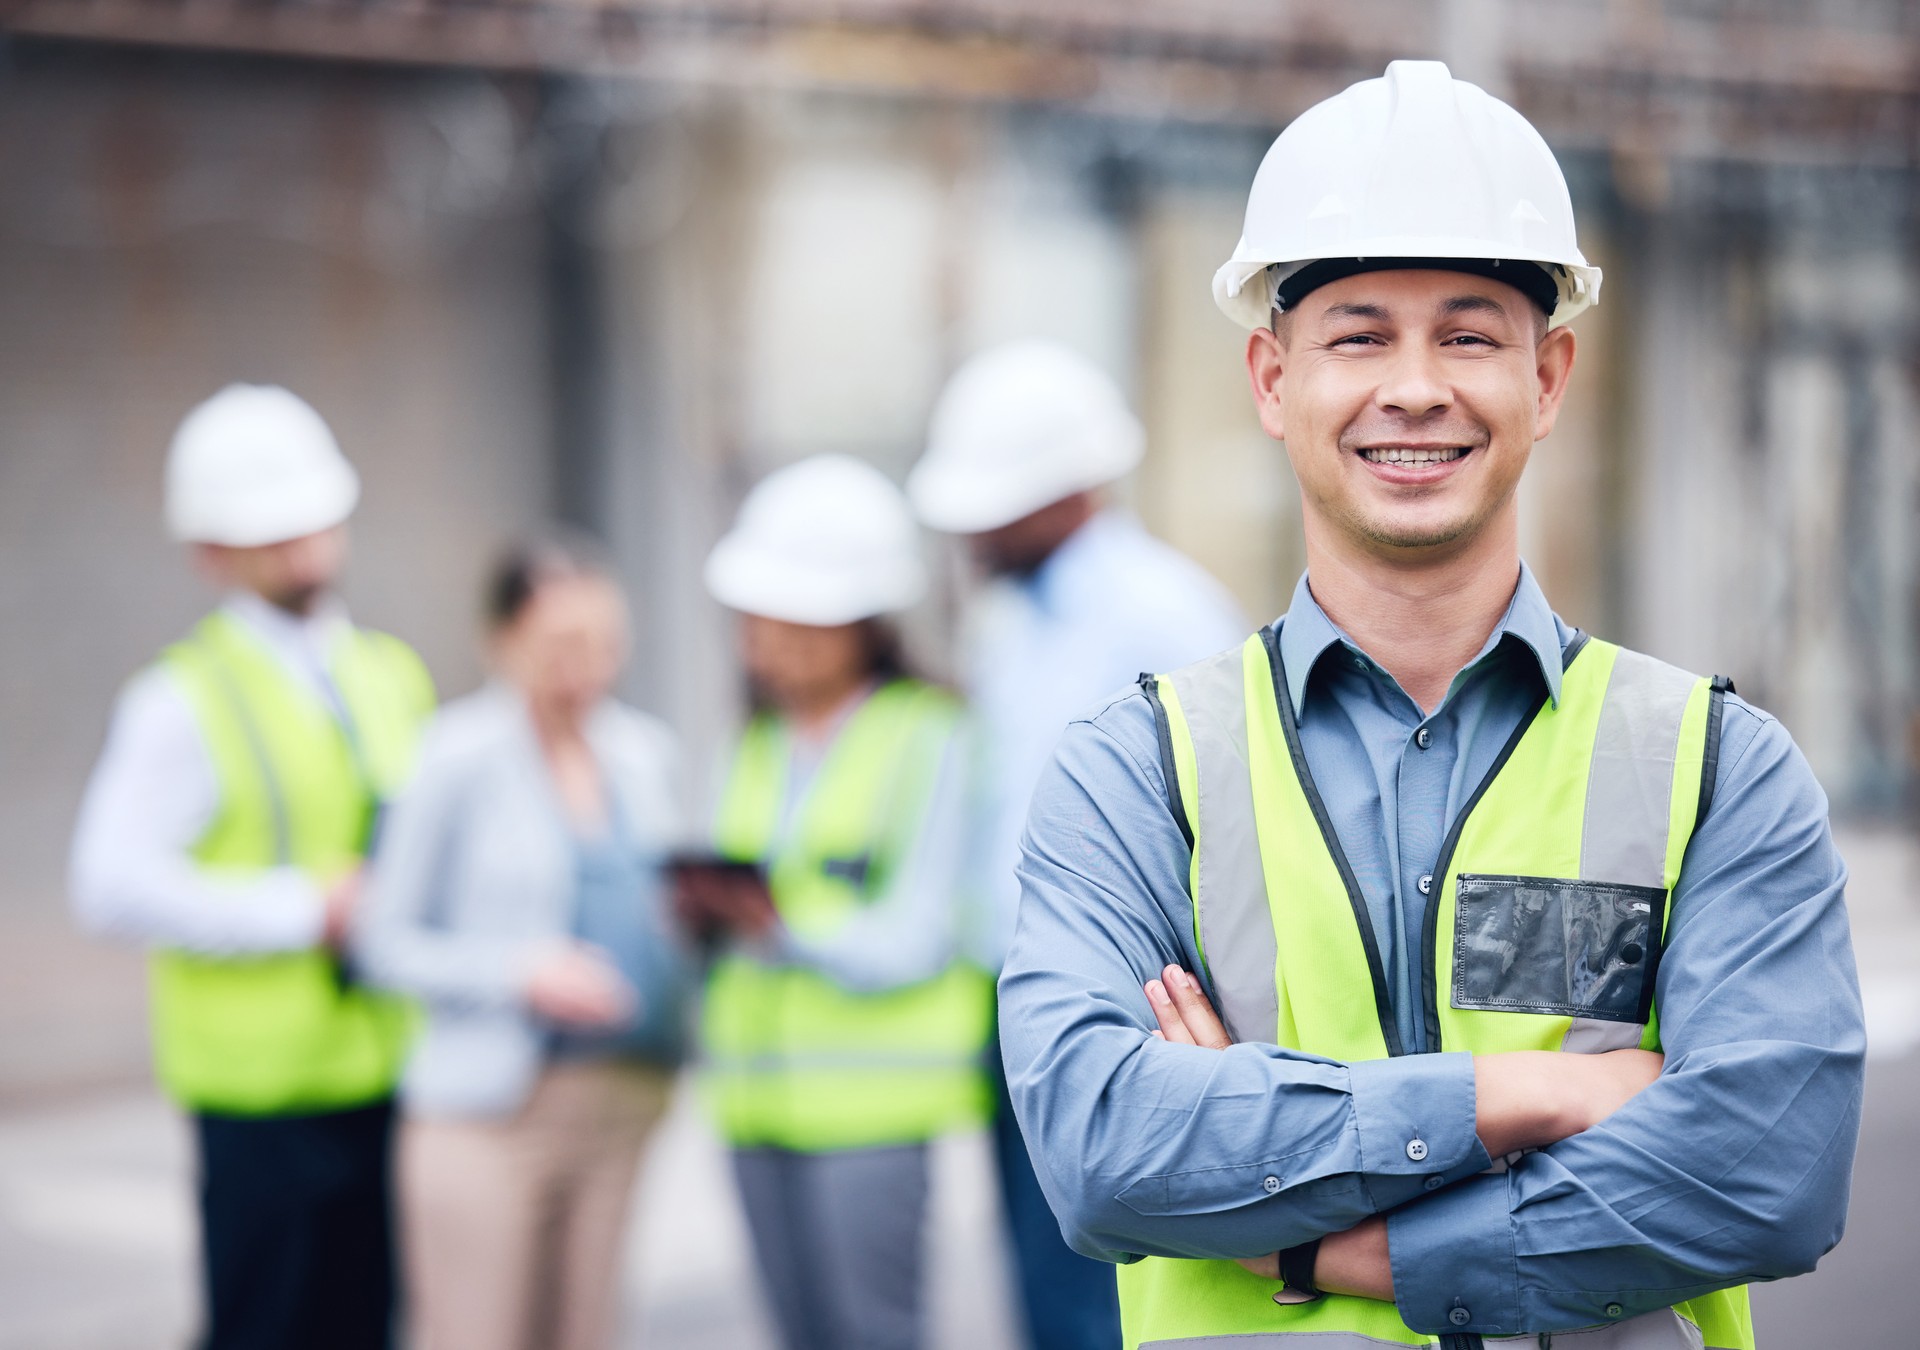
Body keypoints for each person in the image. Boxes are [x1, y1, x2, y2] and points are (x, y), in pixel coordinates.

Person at [998, 60, 1864, 1350]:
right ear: (1272, 379)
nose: (1415, 387)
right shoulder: (1136, 770)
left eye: (1468, 333)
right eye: (1357, 334)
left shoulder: (1716, 767)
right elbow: (1106, 1149)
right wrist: (1531, 1093)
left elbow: (1764, 1170)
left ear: (1550, 377)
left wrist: (1327, 1240)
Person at [69, 384, 435, 1350]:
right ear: (210, 553)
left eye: (313, 524)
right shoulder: (178, 702)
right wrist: (301, 911)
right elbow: (107, 884)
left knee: (369, 1327)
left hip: (387, 1074)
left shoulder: (390, 674)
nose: (302, 548)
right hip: (260, 1102)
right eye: (270, 533)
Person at [906, 338, 1245, 1350]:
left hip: (1124, 1014)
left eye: (990, 506)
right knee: (1043, 1279)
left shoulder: (1165, 614)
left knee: (1112, 1292)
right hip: (1017, 998)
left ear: (1067, 493)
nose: (970, 532)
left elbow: (1224, 827)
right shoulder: (1011, 624)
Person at [355, 539, 690, 1350]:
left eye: (605, 647)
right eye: (561, 649)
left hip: (619, 1100)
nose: (587, 672)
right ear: (501, 641)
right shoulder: (450, 759)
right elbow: (382, 940)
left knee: (586, 1333)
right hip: (488, 1111)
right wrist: (517, 971)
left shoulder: (643, 755)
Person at [691, 453, 994, 1350]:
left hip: (872, 1110)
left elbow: (921, 932)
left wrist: (784, 931)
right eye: (756, 623)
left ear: (859, 622)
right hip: (752, 1098)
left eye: (793, 624)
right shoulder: (756, 737)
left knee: (872, 1333)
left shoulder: (928, 735)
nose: (767, 645)